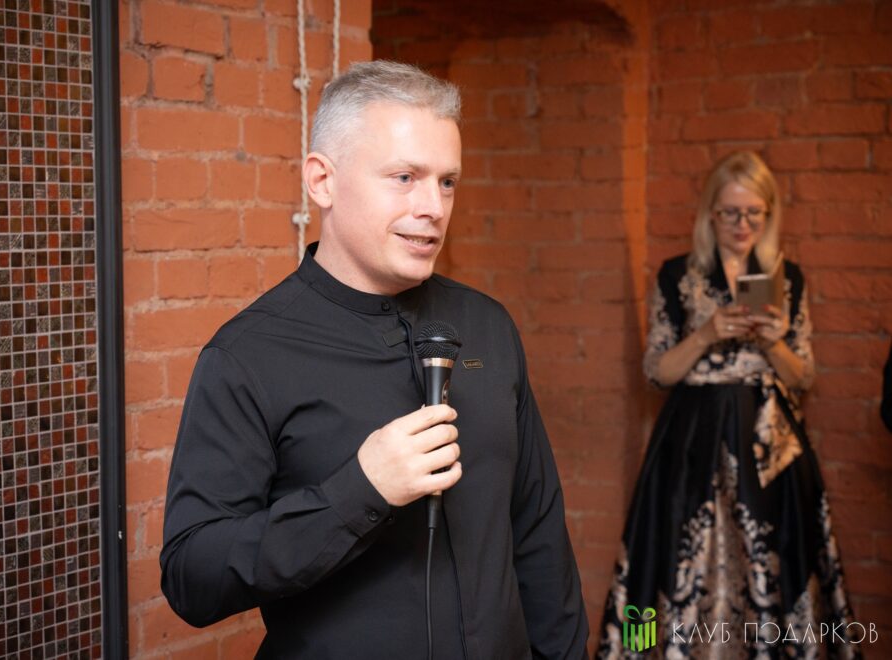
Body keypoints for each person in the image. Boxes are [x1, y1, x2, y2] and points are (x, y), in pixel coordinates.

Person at [160, 60, 589, 659]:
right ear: (322, 181)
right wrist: (361, 490)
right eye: (405, 177)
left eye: (447, 182)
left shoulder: (487, 325)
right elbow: (192, 577)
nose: (433, 206)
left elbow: (538, 529)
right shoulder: (247, 355)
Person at [597, 152, 860, 659]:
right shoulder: (677, 274)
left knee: (779, 558)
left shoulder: (788, 277)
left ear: (770, 213)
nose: (742, 225)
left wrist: (772, 341)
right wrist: (707, 334)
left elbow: (804, 376)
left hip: (770, 450)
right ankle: (641, 648)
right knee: (661, 552)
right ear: (709, 214)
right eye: (730, 213)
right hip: (689, 444)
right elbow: (656, 372)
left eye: (754, 213)